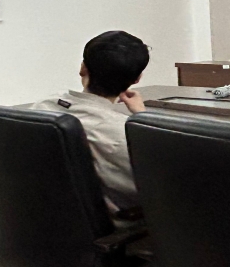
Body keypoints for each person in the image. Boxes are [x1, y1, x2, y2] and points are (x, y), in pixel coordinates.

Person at [32, 31, 149, 213]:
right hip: (115, 224)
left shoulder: (41, 108)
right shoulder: (123, 135)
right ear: (136, 79)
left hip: (44, 216)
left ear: (83, 68)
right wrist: (144, 117)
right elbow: (154, 189)